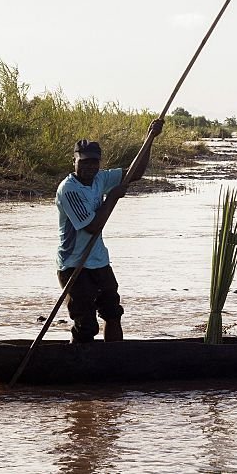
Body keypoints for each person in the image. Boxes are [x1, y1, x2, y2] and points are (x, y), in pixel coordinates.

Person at [55, 119, 164, 342]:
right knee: (86, 326)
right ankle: (80, 365)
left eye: (94, 162)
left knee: (113, 314)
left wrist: (149, 139)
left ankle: (113, 360)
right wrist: (112, 196)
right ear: (74, 161)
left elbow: (134, 173)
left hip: (99, 261)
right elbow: (93, 226)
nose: (89, 167)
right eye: (84, 162)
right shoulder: (69, 190)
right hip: (75, 264)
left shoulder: (100, 178)